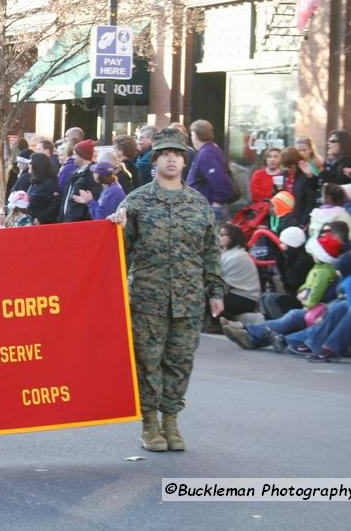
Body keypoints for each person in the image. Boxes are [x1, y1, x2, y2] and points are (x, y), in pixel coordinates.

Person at [108, 127, 223, 452]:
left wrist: (215, 291)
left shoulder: (199, 205)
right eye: (165, 154)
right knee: (147, 363)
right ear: (155, 160)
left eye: (177, 154)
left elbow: (211, 251)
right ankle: (149, 424)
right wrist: (116, 226)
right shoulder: (139, 201)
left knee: (180, 362)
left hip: (188, 300)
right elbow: (118, 250)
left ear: (184, 161)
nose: (171, 159)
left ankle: (171, 420)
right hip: (147, 299)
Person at [186, 120, 236, 222]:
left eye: (191, 134)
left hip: (209, 208)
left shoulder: (207, 153)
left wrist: (217, 201)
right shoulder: (210, 149)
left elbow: (218, 178)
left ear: (195, 135)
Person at [218, 223, 262, 320]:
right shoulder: (229, 253)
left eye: (222, 235)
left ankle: (215, 323)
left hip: (244, 299)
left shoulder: (237, 256)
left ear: (232, 237)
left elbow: (222, 284)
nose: (218, 237)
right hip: (236, 296)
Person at [306, 184, 351, 252]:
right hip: (334, 251)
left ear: (326, 198)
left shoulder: (315, 214)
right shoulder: (344, 215)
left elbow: (311, 232)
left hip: (314, 248)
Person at [59, 139, 99, 223]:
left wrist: (81, 218)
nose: (73, 157)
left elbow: (94, 198)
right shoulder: (75, 173)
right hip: (68, 222)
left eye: (75, 154)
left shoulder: (92, 175)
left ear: (82, 155)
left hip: (79, 224)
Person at [27, 153, 60, 225]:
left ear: (37, 165)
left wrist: (41, 219)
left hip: (43, 226)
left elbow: (56, 205)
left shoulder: (49, 184)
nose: (28, 165)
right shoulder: (35, 183)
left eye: (30, 163)